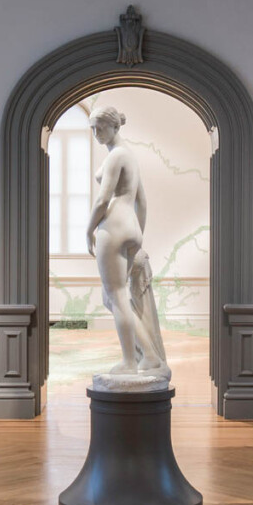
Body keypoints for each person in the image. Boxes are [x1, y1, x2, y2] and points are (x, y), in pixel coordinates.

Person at [85, 104, 171, 378]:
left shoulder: (116, 156)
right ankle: (150, 356)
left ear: (115, 127)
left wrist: (88, 229)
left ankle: (129, 362)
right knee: (115, 298)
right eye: (93, 128)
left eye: (100, 127)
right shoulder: (129, 156)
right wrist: (138, 235)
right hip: (130, 228)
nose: (96, 133)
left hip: (114, 227)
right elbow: (142, 201)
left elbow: (102, 199)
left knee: (117, 296)